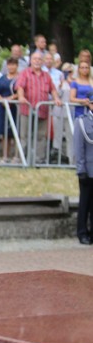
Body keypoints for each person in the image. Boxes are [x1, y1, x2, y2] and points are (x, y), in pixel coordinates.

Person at [16, 51, 62, 163]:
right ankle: (22, 159)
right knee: (24, 136)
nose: (37, 61)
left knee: (41, 137)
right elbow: (20, 87)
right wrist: (21, 97)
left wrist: (56, 98)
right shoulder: (25, 73)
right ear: (31, 61)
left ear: (42, 62)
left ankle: (39, 160)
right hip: (27, 109)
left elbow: (53, 89)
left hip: (42, 111)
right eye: (35, 59)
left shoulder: (46, 76)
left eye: (39, 59)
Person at [73, 99, 93, 244]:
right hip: (88, 169)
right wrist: (81, 169)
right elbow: (79, 148)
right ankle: (82, 232)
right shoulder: (82, 122)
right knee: (85, 203)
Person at [0, 57, 21, 162]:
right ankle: (5, 156)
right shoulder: (2, 78)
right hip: (3, 108)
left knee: (15, 132)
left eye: (13, 64)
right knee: (5, 133)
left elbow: (21, 91)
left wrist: (11, 99)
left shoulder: (20, 78)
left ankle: (16, 156)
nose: (11, 67)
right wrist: (2, 100)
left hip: (15, 108)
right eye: (9, 65)